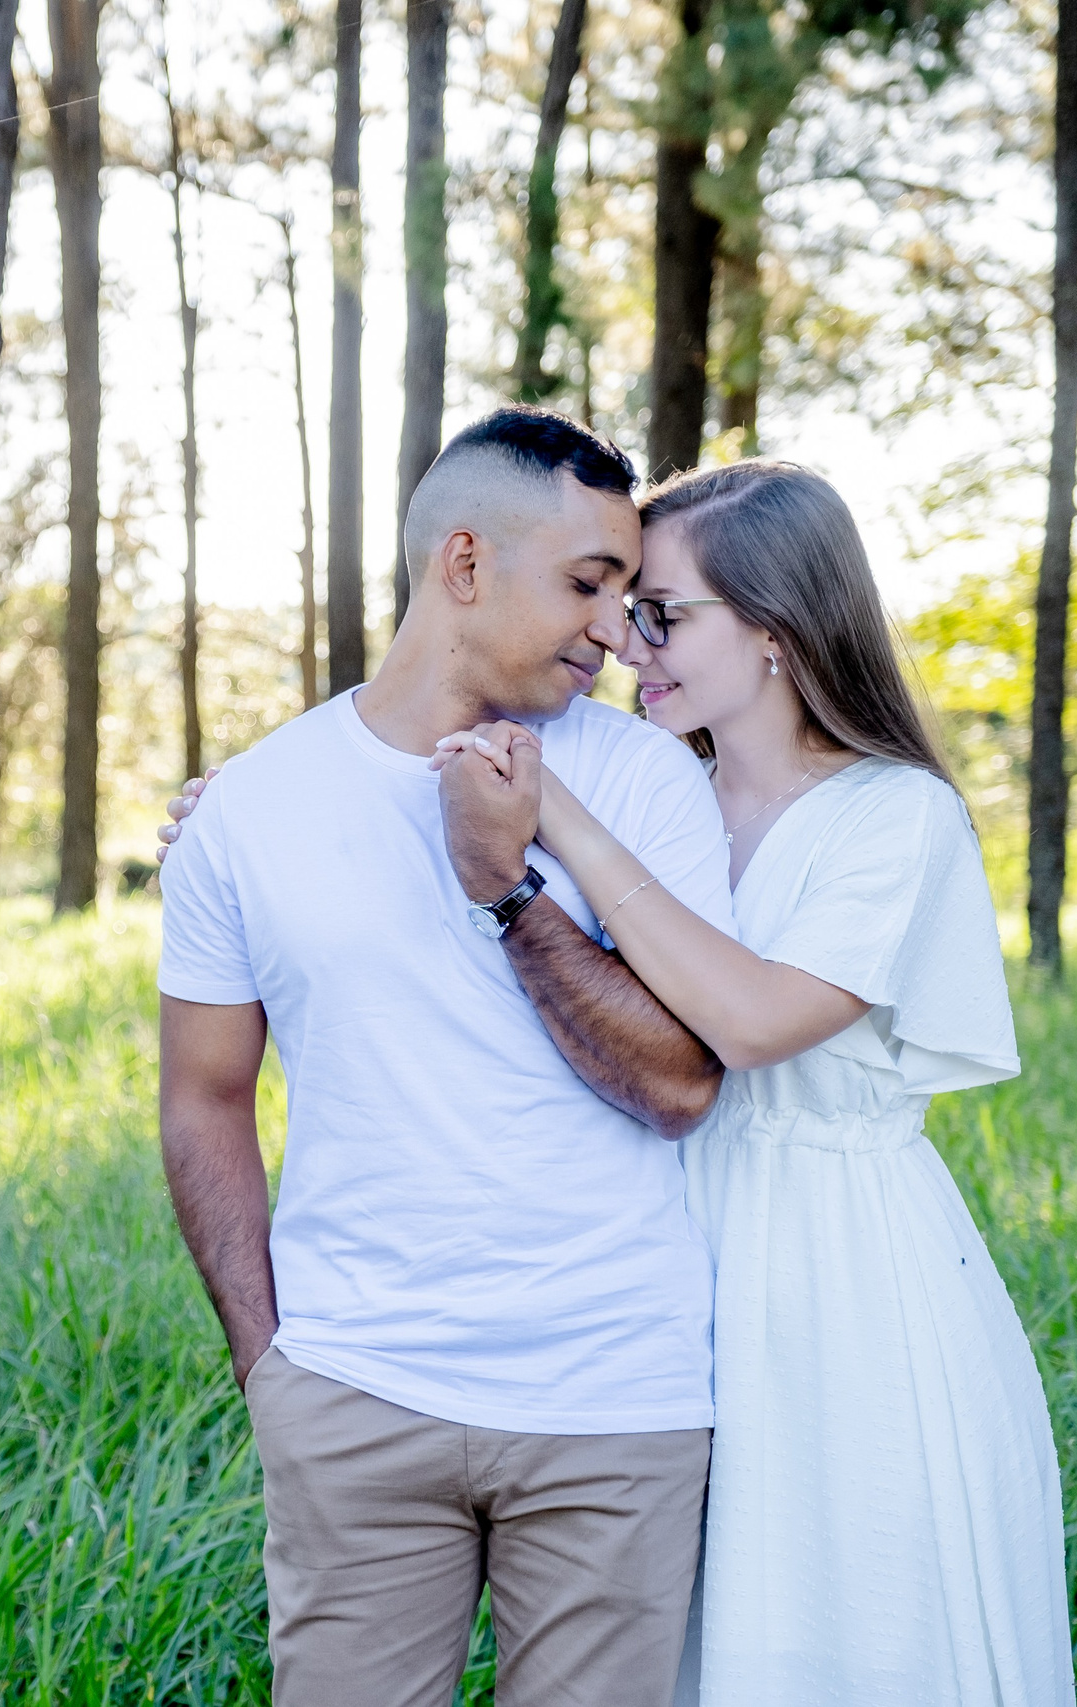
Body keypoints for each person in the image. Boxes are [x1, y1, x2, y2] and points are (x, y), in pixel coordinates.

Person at [168, 457, 1077, 1706]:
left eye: (657, 611)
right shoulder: (678, 791)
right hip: (683, 1271)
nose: (619, 639)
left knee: (849, 1618)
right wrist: (255, 812)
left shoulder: (882, 816)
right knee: (719, 1645)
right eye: (611, 598)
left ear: (774, 630)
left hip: (829, 1274)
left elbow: (748, 1023)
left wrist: (553, 830)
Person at [156, 406, 739, 1707]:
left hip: (614, 1406)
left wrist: (510, 893)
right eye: (587, 584)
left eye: (630, 596)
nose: (611, 629)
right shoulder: (250, 810)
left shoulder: (645, 786)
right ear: (463, 565)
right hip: (355, 1400)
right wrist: (277, 1371)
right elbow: (202, 1102)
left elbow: (680, 1083)